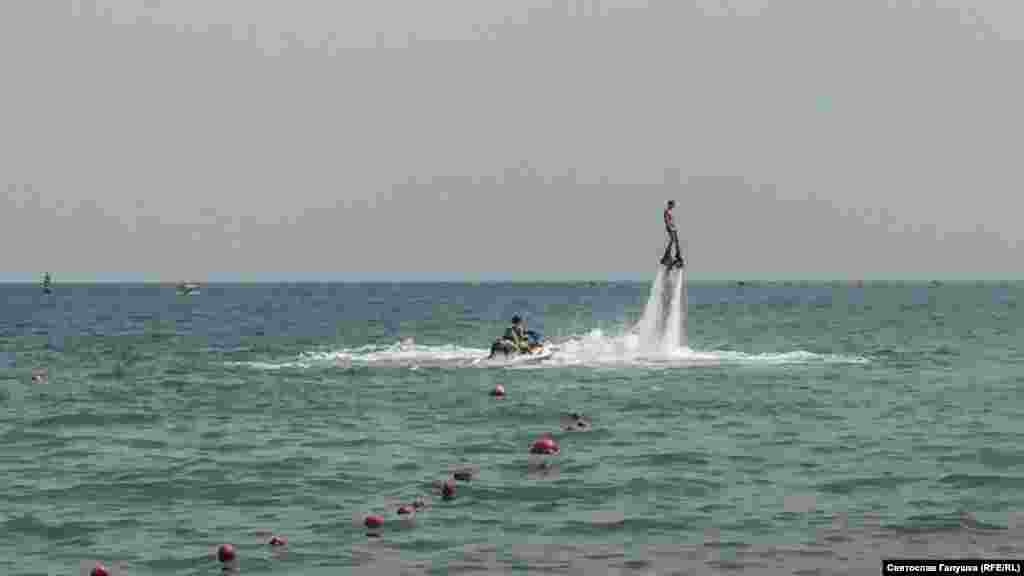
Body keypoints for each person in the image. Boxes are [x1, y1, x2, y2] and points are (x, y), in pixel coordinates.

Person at [660, 200, 684, 268]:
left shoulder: (670, 211)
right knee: (671, 241)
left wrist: (675, 227)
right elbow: (667, 221)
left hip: (674, 228)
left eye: (673, 205)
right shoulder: (666, 211)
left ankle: (677, 256)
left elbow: (672, 220)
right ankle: (666, 257)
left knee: (676, 242)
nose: (673, 206)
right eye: (672, 205)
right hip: (671, 229)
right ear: (669, 204)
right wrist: (670, 227)